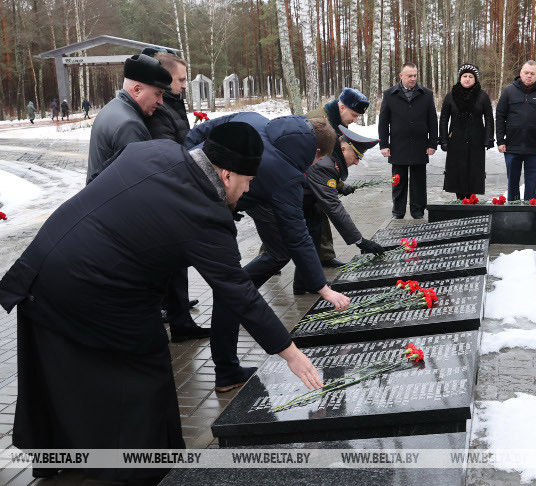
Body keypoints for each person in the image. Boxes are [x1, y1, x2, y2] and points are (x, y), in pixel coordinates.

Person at [0, 122, 324, 482]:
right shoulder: (204, 215)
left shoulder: (158, 150)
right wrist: (290, 353)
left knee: (65, 372)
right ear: (227, 173)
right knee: (144, 371)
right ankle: (148, 471)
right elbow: (239, 292)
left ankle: (65, 455)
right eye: (248, 180)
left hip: (45, 265)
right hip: (89, 287)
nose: (249, 189)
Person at [186, 113, 350, 391]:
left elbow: (203, 129)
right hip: (207, 210)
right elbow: (297, 235)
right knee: (232, 289)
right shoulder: (287, 174)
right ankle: (226, 370)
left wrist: (182, 160)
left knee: (234, 286)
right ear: (317, 153)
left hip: (193, 190)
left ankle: (227, 369)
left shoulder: (254, 118)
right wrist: (323, 288)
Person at [143, 50, 209, 342]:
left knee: (176, 263)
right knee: (173, 262)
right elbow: (169, 152)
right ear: (165, 79)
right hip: (170, 195)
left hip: (177, 191)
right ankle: (179, 321)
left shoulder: (173, 103)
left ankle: (179, 314)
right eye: (181, 80)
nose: (185, 85)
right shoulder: (161, 109)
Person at [299, 125, 385, 291]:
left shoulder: (331, 158)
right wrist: (360, 241)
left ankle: (304, 284)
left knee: (314, 233)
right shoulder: (326, 163)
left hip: (305, 203)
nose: (357, 162)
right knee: (278, 255)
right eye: (356, 156)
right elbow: (333, 207)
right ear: (343, 148)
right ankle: (243, 288)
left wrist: (340, 187)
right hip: (277, 202)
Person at [305, 87, 369, 268]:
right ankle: (270, 256)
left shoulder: (337, 122)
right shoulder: (320, 121)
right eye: (354, 115)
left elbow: (328, 162)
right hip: (293, 174)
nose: (355, 120)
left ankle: (324, 255)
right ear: (342, 107)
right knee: (288, 216)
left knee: (319, 210)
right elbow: (319, 164)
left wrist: (338, 185)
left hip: (310, 175)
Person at [86, 54, 171, 184]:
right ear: (137, 90)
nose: (161, 101)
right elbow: (139, 182)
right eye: (158, 94)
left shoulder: (115, 107)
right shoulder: (129, 125)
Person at [378, 62, 438, 219]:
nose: (413, 79)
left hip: (420, 145)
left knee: (419, 182)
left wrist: (432, 143)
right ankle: (398, 211)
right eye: (409, 76)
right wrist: (384, 145)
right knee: (398, 181)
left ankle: (418, 211)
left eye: (415, 75)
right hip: (398, 145)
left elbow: (433, 121)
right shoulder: (389, 94)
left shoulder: (426, 94)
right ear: (401, 76)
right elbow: (383, 122)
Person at [495, 60, 536, 201]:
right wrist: (500, 140)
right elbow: (500, 116)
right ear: (520, 73)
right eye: (526, 73)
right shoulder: (508, 91)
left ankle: (530, 214)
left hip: (534, 148)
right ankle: (512, 212)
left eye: (532, 73)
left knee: (531, 185)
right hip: (511, 147)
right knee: (513, 184)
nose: (528, 76)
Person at [439, 63, 494, 200]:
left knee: (474, 173)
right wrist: (444, 139)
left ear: (475, 79)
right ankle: (460, 201)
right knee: (457, 173)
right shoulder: (451, 96)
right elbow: (444, 119)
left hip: (476, 141)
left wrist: (488, 139)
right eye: (464, 76)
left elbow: (488, 118)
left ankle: (471, 202)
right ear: (460, 77)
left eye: (471, 76)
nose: (467, 79)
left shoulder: (482, 96)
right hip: (456, 141)